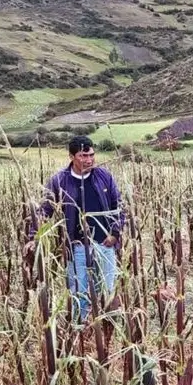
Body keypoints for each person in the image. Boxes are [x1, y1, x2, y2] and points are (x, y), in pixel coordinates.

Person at [26, 135, 126, 323]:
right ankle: (80, 328)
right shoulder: (59, 181)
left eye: (91, 155)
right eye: (83, 156)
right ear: (71, 157)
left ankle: (105, 328)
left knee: (106, 288)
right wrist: (34, 236)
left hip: (105, 244)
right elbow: (45, 210)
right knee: (79, 290)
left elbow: (118, 206)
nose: (89, 160)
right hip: (77, 246)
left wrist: (115, 234)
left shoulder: (104, 177)